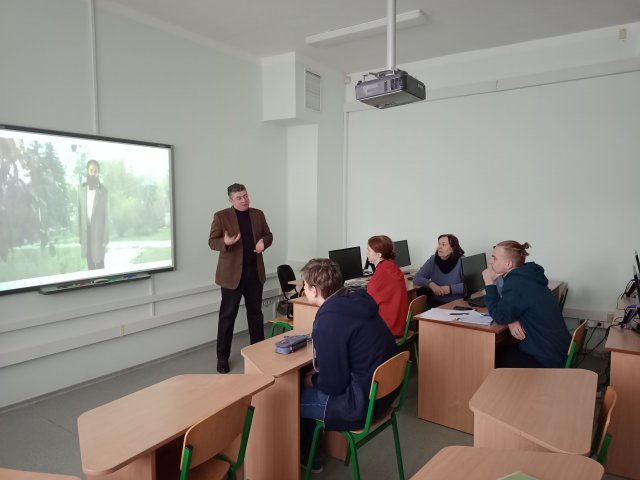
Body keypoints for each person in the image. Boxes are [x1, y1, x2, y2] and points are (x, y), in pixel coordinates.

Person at [299, 258, 398, 470]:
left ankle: (309, 458)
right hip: (384, 395)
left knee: (288, 400)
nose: (303, 290)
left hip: (359, 405)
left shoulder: (328, 320)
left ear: (314, 290)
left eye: (304, 286)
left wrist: (313, 379)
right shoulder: (360, 300)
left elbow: (333, 385)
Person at [208, 183, 273, 373]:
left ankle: (258, 353)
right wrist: (225, 242)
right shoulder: (221, 216)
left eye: (245, 196)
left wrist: (263, 242)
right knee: (227, 317)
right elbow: (212, 242)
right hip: (231, 277)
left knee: (255, 315)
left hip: (254, 274)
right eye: (239, 198)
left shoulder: (258, 214)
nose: (244, 200)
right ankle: (222, 358)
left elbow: (268, 235)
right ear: (231, 200)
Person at [482, 240, 570, 368]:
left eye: (494, 258)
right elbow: (513, 306)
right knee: (503, 347)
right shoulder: (527, 276)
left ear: (508, 264)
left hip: (546, 358)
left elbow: (500, 316)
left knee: (489, 356)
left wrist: (489, 283)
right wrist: (511, 319)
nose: (491, 261)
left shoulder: (516, 283)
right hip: (557, 350)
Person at [366, 235, 409, 337]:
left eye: (369, 250)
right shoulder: (392, 265)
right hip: (399, 326)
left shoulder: (381, 273)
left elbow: (368, 302)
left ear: (379, 254)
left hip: (387, 329)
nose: (366, 253)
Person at [413, 234, 465, 306]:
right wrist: (431, 284)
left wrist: (450, 289)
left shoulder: (462, 261)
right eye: (439, 244)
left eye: (443, 244)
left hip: (457, 303)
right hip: (435, 304)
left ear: (453, 248)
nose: (439, 247)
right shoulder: (433, 259)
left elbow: (471, 285)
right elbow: (417, 278)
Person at [78, 159, 109, 270]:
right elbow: (79, 213)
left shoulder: (104, 191)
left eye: (95, 171)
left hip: (98, 235)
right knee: (90, 266)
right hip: (86, 234)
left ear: (98, 173)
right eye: (91, 170)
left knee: (100, 264)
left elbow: (107, 216)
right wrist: (79, 234)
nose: (93, 173)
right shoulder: (81, 189)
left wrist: (105, 238)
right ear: (88, 171)